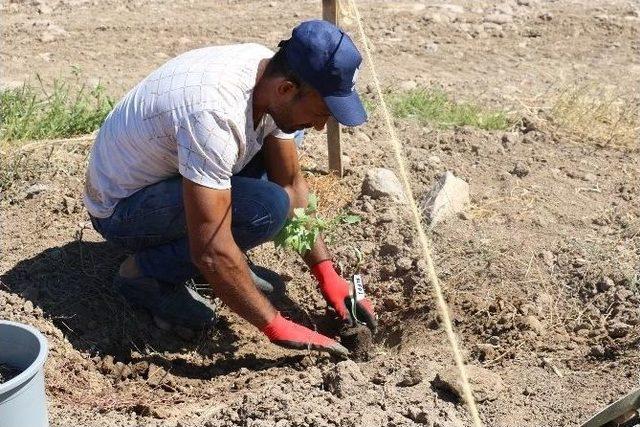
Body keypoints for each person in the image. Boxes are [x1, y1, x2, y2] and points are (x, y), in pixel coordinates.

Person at [83, 20, 377, 356]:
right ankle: (144, 275)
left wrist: (328, 274)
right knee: (267, 208)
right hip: (122, 209)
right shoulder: (215, 114)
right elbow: (211, 250)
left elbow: (291, 183)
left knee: (279, 173)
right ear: (286, 89)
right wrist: (276, 325)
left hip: (170, 177)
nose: (322, 124)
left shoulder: (269, 77)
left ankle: (215, 271)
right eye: (323, 111)